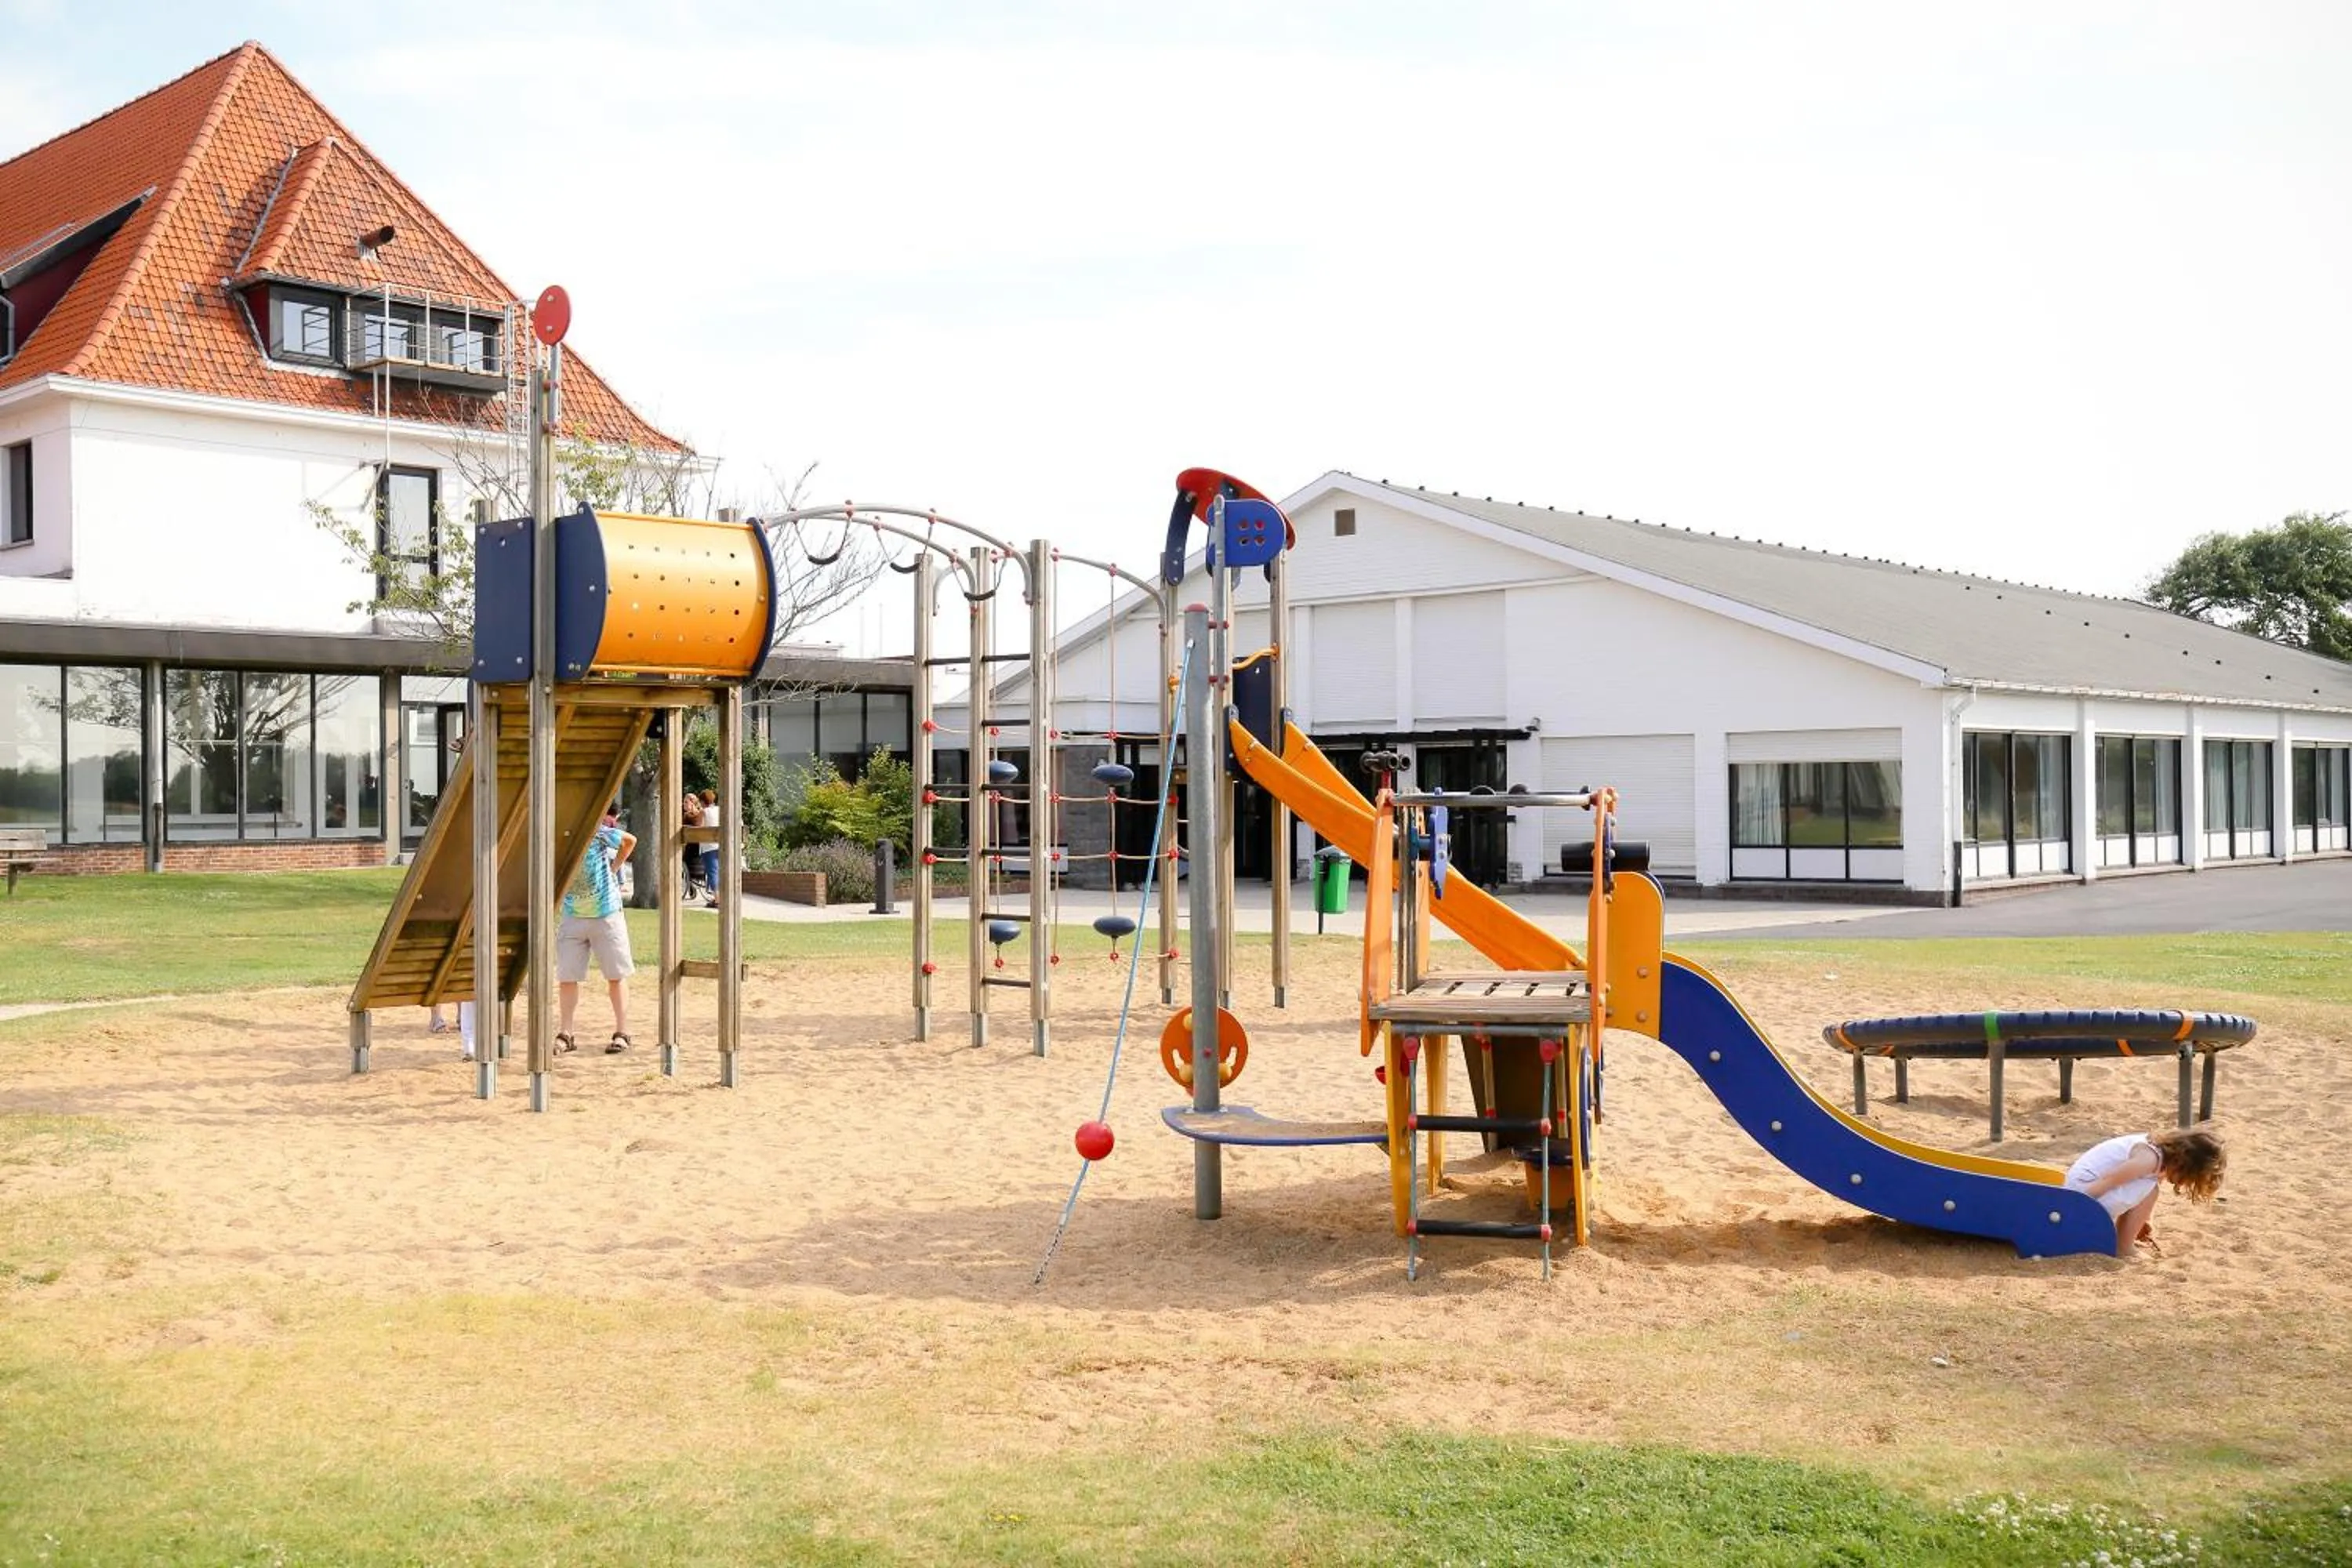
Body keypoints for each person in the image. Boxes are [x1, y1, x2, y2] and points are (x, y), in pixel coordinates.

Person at [2063, 1126, 2227, 1258]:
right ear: (2183, 1162)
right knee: (2151, 1189)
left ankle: (2126, 1239)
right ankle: (2123, 1247)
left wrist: (2143, 1223)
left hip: (2088, 1187)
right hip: (2084, 1190)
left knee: (2150, 1186)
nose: (2183, 1184)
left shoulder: (2159, 1156)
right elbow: (2109, 1180)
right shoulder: (2148, 1160)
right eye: (2188, 1179)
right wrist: (2075, 1207)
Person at [556, 801, 638, 1054]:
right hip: (573, 915)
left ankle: (622, 1032)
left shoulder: (597, 832)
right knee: (567, 977)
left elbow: (629, 840)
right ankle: (566, 1033)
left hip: (606, 912)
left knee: (616, 975)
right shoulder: (557, 836)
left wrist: (614, 869)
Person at [697, 789, 722, 908]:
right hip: (722, 845)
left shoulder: (704, 812)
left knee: (712, 872)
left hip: (708, 846)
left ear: (702, 801)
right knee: (720, 871)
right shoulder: (720, 810)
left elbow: (699, 828)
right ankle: (720, 897)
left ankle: (717, 899)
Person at [681, 786, 706, 898]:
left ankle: (690, 886)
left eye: (686, 802)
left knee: (684, 861)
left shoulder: (688, 816)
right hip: (701, 846)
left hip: (692, 847)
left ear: (692, 803)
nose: (683, 804)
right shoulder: (701, 814)